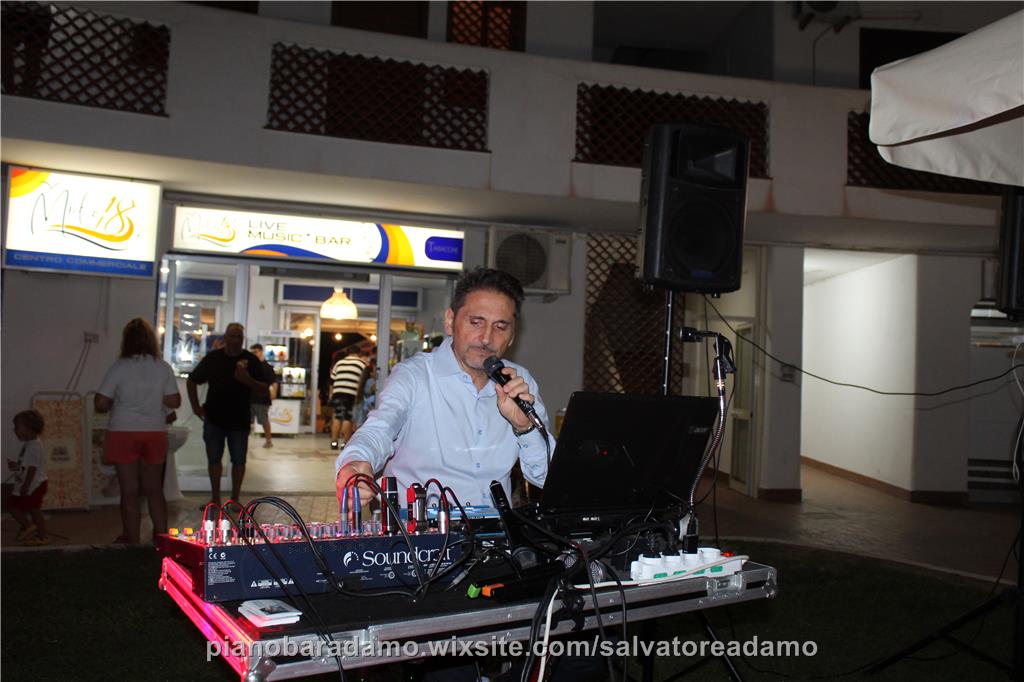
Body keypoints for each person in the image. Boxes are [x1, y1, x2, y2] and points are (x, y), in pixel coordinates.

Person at [335, 268, 555, 509]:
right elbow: (380, 428)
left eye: (500, 327)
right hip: (421, 529)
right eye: (476, 322)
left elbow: (547, 477)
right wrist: (356, 461)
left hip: (497, 528)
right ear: (450, 321)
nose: (486, 338)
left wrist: (524, 428)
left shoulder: (519, 382)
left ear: (512, 335)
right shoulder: (414, 376)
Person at [95, 318, 181, 544]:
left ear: (126, 341)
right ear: (151, 340)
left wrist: (118, 402)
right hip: (154, 432)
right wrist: (154, 398)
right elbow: (174, 401)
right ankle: (161, 538)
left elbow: (100, 402)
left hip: (123, 431)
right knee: (154, 489)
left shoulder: (119, 367)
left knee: (129, 490)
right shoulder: (162, 367)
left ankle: (131, 538)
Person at [187, 323, 269, 506]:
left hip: (239, 419)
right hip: (214, 418)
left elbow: (264, 388)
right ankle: (215, 498)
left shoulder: (250, 360)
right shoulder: (213, 358)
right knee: (214, 459)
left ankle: (235, 499)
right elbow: (192, 380)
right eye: (232, 336)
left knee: (239, 461)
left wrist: (247, 380)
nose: (236, 340)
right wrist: (195, 407)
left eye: (239, 337)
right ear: (225, 337)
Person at [4, 409, 48, 545]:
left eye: (17, 427)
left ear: (28, 428)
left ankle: (40, 535)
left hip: (34, 485)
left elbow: (32, 469)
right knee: (13, 505)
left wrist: (26, 486)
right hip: (28, 485)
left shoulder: (33, 446)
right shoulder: (29, 444)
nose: (14, 430)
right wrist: (16, 466)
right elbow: (26, 466)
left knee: (33, 510)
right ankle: (28, 527)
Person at [328, 343, 371, 450]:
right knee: (348, 417)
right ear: (359, 353)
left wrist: (331, 395)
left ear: (348, 353)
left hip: (338, 392)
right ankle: (345, 443)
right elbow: (365, 378)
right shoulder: (361, 363)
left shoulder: (339, 363)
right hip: (351, 393)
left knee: (337, 417)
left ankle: (334, 442)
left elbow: (332, 380)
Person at [248, 343, 278, 449]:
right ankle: (243, 440)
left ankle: (268, 441)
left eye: (255, 352)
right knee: (246, 421)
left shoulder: (267, 367)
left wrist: (274, 392)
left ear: (261, 352)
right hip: (249, 398)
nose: (253, 354)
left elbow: (273, 382)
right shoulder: (249, 366)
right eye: (252, 352)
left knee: (264, 420)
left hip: (262, 399)